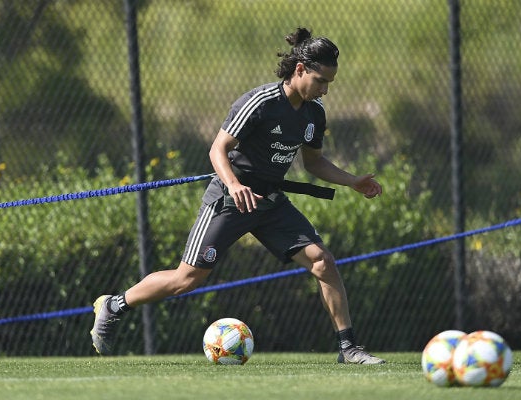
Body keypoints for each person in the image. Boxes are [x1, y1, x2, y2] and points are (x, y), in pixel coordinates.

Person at [91, 27, 385, 364]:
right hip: (230, 199)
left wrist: (351, 181)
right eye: (321, 81)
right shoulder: (259, 103)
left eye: (330, 83)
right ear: (300, 69)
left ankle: (348, 348)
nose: (326, 90)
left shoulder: (313, 114)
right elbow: (218, 150)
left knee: (323, 261)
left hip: (270, 203)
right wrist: (233, 185)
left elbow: (314, 162)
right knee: (186, 279)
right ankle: (114, 305)